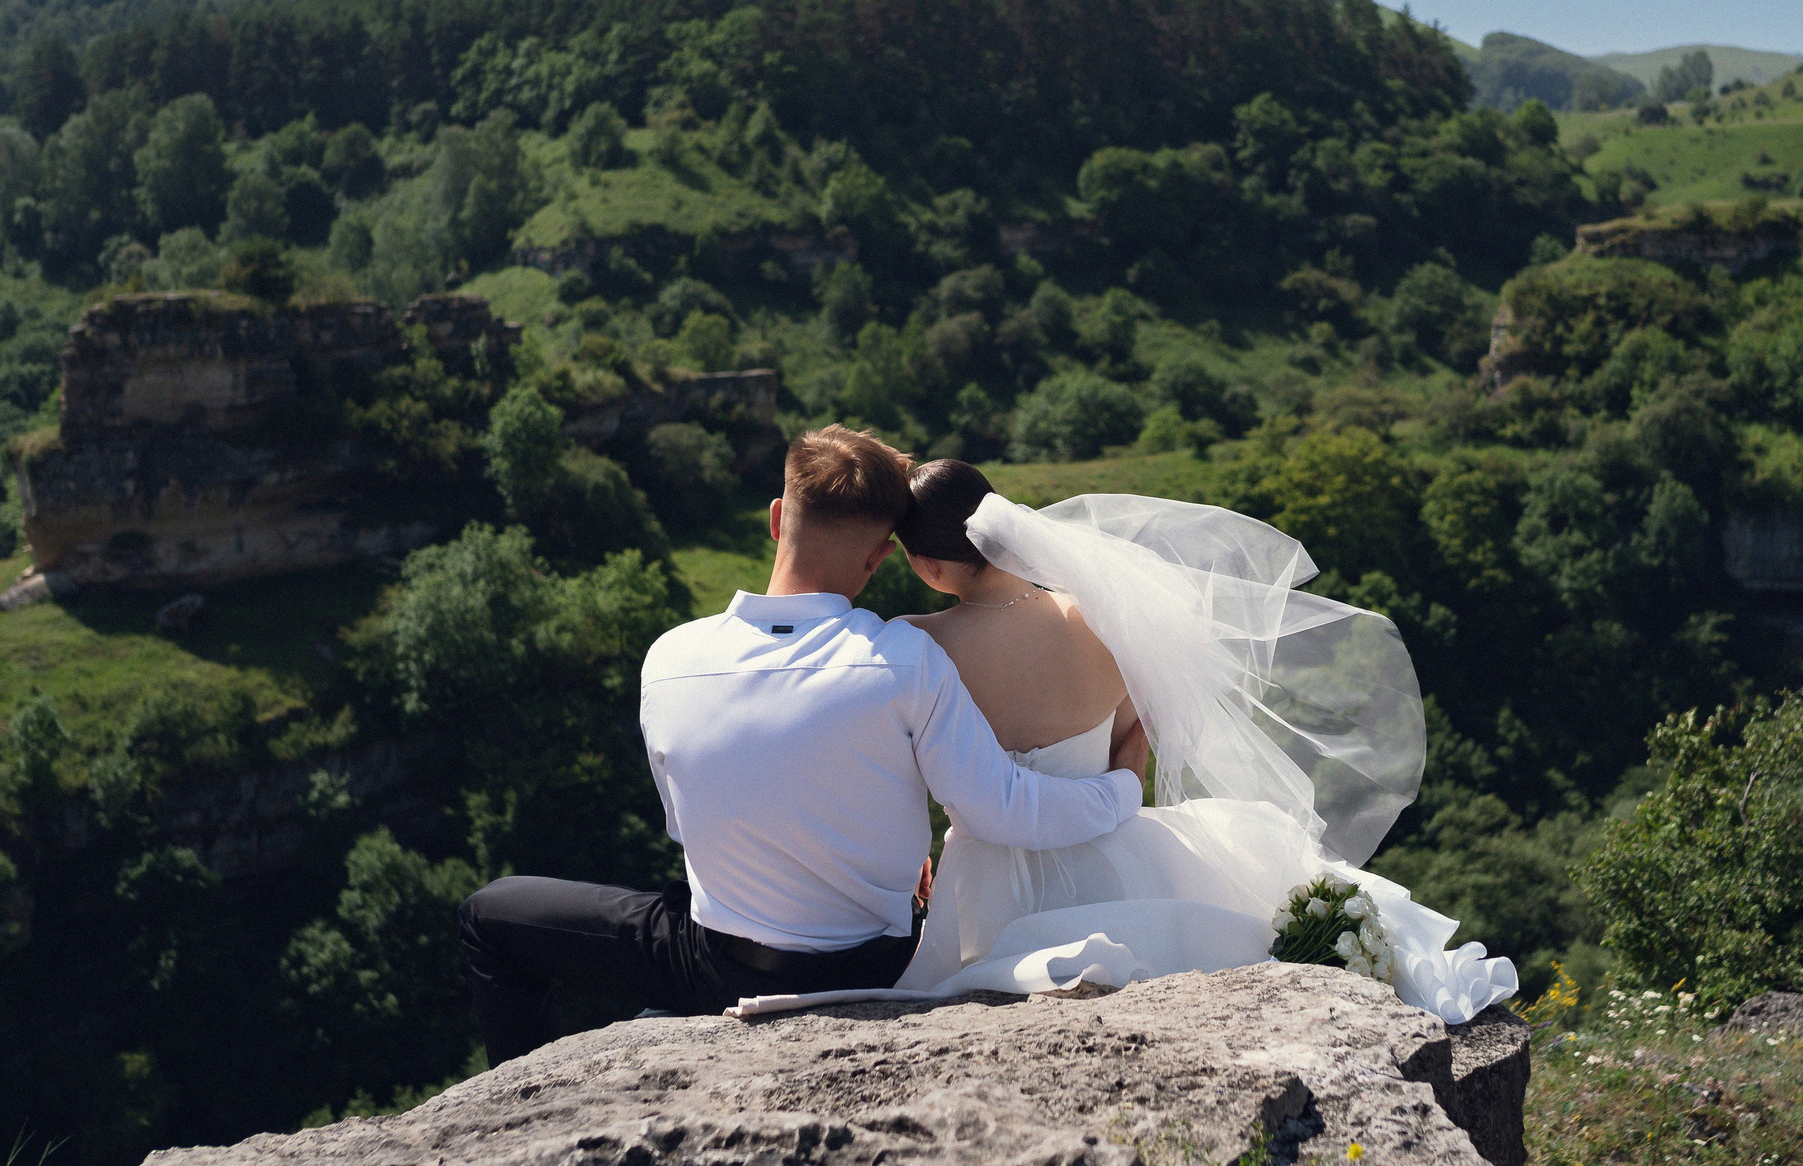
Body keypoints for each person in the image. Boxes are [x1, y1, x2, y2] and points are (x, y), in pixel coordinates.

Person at [456, 426, 1144, 1064]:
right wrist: (1122, 787)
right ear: (879, 558)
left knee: (491, 915)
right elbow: (1003, 810)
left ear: (777, 516)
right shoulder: (906, 658)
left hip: (715, 966)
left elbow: (686, 826)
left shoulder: (670, 658)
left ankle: (519, 1099)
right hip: (877, 963)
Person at [751, 459, 1517, 1025]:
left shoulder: (920, 644)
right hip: (1114, 845)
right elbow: (1135, 735)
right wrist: (1117, 778)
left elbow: (906, 768)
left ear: (926, 562)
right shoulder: (1100, 613)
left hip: (983, 879)